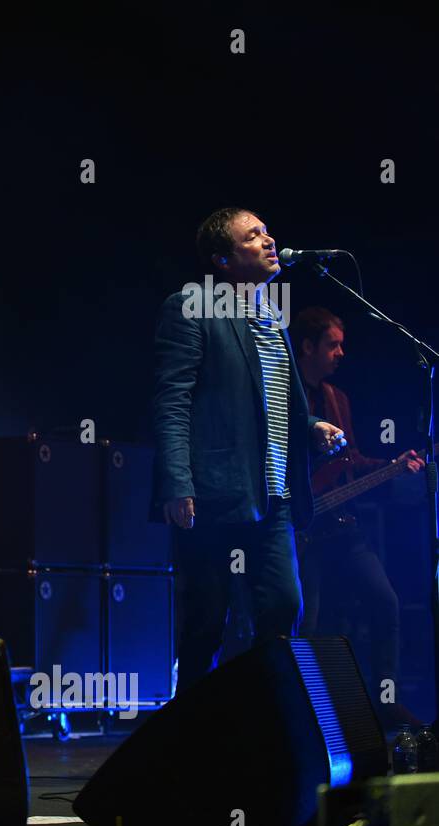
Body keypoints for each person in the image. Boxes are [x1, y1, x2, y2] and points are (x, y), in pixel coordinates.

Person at [152, 207, 345, 692]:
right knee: (207, 621)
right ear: (223, 260)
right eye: (252, 236)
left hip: (274, 495)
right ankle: (189, 733)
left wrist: (311, 426)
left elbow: (271, 401)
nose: (268, 239)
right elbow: (172, 400)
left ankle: (266, 722)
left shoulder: (272, 316)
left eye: (266, 231)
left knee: (284, 605)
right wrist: (177, 483)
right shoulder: (191, 306)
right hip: (215, 495)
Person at [291, 306, 423, 727]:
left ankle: (385, 701)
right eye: (333, 344)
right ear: (307, 347)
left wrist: (393, 464)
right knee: (307, 624)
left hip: (344, 529)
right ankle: (304, 711)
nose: (341, 353)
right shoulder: (285, 396)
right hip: (300, 533)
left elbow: (351, 461)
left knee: (385, 601)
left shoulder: (338, 399)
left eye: (343, 345)